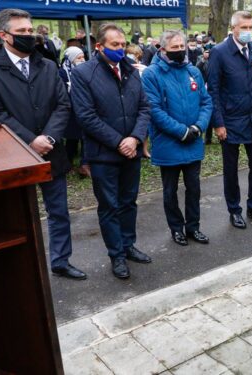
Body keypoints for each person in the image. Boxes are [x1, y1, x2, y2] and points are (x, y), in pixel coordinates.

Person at [0, 8, 86, 280]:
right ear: (3, 35)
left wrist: (48, 138)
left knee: (59, 212)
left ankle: (60, 261)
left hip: (51, 150)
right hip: (11, 154)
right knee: (14, 217)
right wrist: (29, 140)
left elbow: (62, 105)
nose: (28, 35)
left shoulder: (46, 64)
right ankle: (17, 270)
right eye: (21, 31)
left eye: (29, 30)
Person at [70, 23, 152, 280]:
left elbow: (144, 108)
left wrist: (136, 138)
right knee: (110, 206)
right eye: (114, 45)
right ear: (99, 46)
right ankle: (116, 254)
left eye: (122, 44)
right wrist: (120, 142)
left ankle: (128, 245)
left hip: (131, 151)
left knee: (129, 202)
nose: (120, 49)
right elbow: (86, 116)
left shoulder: (131, 70)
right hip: (104, 154)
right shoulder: (84, 73)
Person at [142, 30, 213, 247]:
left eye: (182, 47)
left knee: (194, 188)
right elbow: (154, 109)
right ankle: (176, 228)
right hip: (169, 142)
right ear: (162, 49)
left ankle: (193, 227)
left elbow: (206, 101)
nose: (180, 51)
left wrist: (198, 127)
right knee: (169, 190)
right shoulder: (151, 74)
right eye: (174, 48)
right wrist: (181, 131)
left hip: (193, 140)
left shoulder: (193, 71)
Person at [207, 11, 252, 230]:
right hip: (231, 120)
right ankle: (234, 210)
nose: (248, 32)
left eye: (250, 27)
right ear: (233, 28)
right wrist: (218, 123)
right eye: (243, 28)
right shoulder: (219, 52)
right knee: (231, 170)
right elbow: (213, 90)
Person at [58, 46, 91, 178]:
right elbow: (60, 92)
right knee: (72, 140)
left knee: (86, 137)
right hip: (70, 111)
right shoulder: (62, 73)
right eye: (79, 57)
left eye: (83, 57)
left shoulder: (86, 71)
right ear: (71, 59)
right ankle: (68, 164)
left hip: (84, 109)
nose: (82, 60)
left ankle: (84, 165)